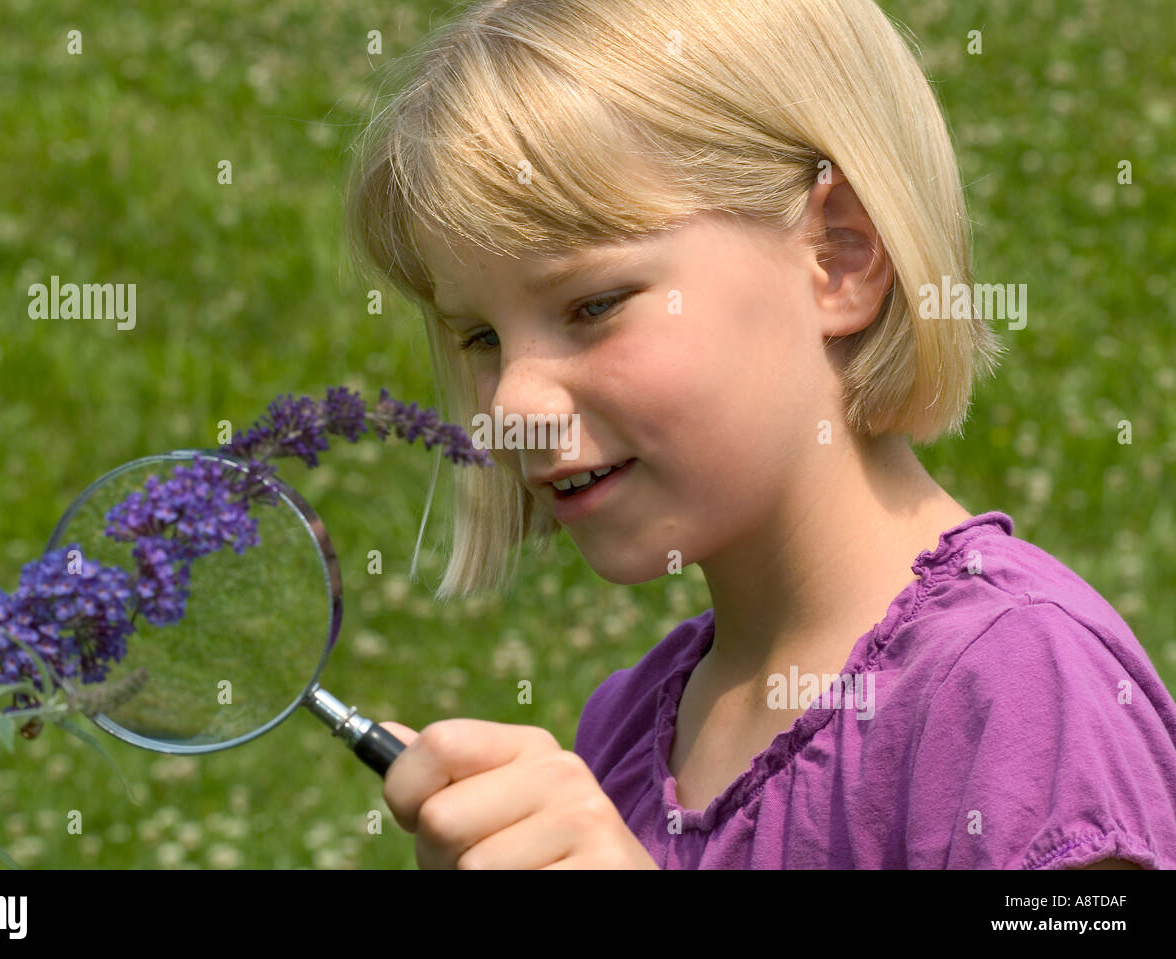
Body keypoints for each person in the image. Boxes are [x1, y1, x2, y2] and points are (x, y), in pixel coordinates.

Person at [342, 0, 1176, 868]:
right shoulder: (626, 732)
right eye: (481, 338)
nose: (513, 402)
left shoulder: (1015, 687)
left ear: (839, 255)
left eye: (593, 305)